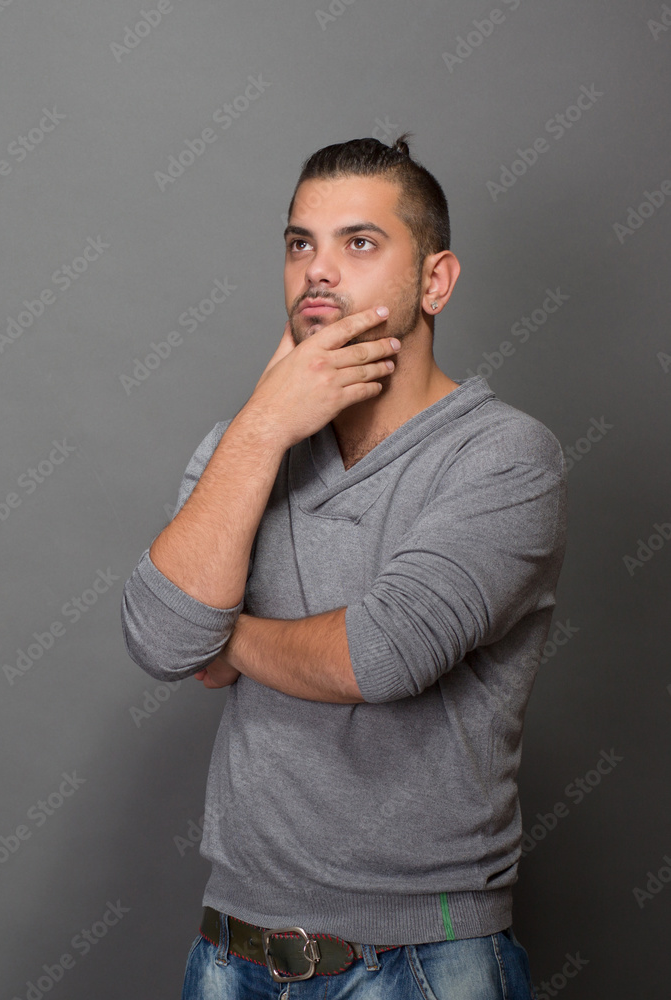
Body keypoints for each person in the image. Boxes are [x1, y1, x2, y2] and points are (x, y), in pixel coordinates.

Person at [121, 134, 566, 999]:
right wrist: (260, 427)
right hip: (227, 950)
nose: (317, 271)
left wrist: (230, 634)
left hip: (420, 961)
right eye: (300, 244)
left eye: (359, 243)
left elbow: (381, 656)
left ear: (434, 281)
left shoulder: (505, 457)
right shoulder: (241, 449)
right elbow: (159, 640)